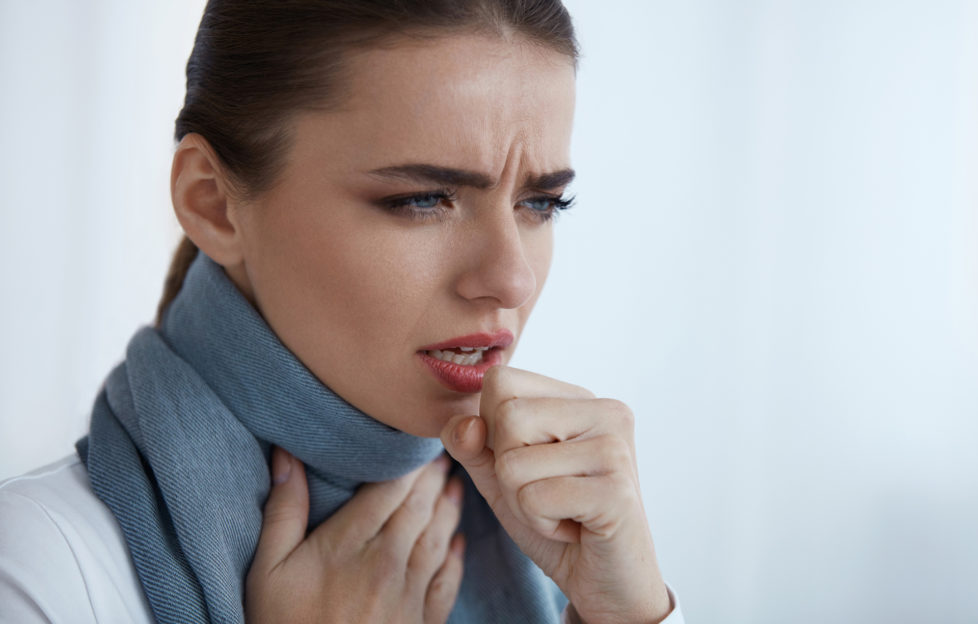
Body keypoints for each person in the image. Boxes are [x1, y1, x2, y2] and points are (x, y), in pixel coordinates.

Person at [0, 1, 684, 622]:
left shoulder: (563, 549)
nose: (509, 279)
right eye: (422, 199)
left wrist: (631, 616)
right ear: (212, 201)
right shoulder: (35, 571)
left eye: (540, 204)